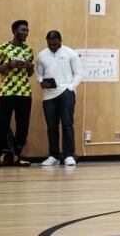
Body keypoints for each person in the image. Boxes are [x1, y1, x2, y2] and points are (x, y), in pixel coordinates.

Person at [0, 20, 35, 167]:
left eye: (27, 30)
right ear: (15, 31)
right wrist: (9, 65)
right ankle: (1, 154)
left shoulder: (28, 50)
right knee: (2, 124)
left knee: (23, 126)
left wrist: (28, 67)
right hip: (6, 92)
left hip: (24, 93)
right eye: (23, 30)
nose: (26, 33)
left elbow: (30, 73)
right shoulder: (2, 48)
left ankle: (17, 155)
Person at [36, 31, 83, 166]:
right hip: (49, 96)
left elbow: (79, 73)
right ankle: (54, 155)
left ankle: (68, 155)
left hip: (66, 93)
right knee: (51, 127)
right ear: (47, 42)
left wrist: (71, 88)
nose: (53, 47)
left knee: (67, 125)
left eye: (56, 44)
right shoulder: (41, 55)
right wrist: (41, 82)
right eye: (50, 45)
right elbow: (39, 74)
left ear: (60, 40)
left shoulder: (70, 53)